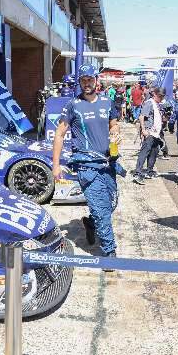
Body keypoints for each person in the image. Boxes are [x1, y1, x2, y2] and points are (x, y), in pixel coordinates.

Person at [52, 64, 121, 258]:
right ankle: (109, 252)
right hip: (86, 166)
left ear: (96, 81)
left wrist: (115, 133)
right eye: (83, 80)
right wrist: (55, 165)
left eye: (90, 79)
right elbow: (59, 134)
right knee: (101, 210)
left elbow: (114, 124)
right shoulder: (73, 105)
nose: (87, 83)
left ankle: (91, 223)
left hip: (108, 163)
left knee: (111, 203)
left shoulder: (108, 102)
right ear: (79, 82)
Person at [133, 87, 166, 184]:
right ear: (155, 94)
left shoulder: (157, 104)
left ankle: (149, 171)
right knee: (144, 152)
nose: (161, 98)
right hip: (149, 132)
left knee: (154, 152)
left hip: (155, 133)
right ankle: (138, 172)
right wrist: (143, 129)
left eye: (162, 97)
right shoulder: (149, 103)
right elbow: (142, 116)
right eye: (160, 96)